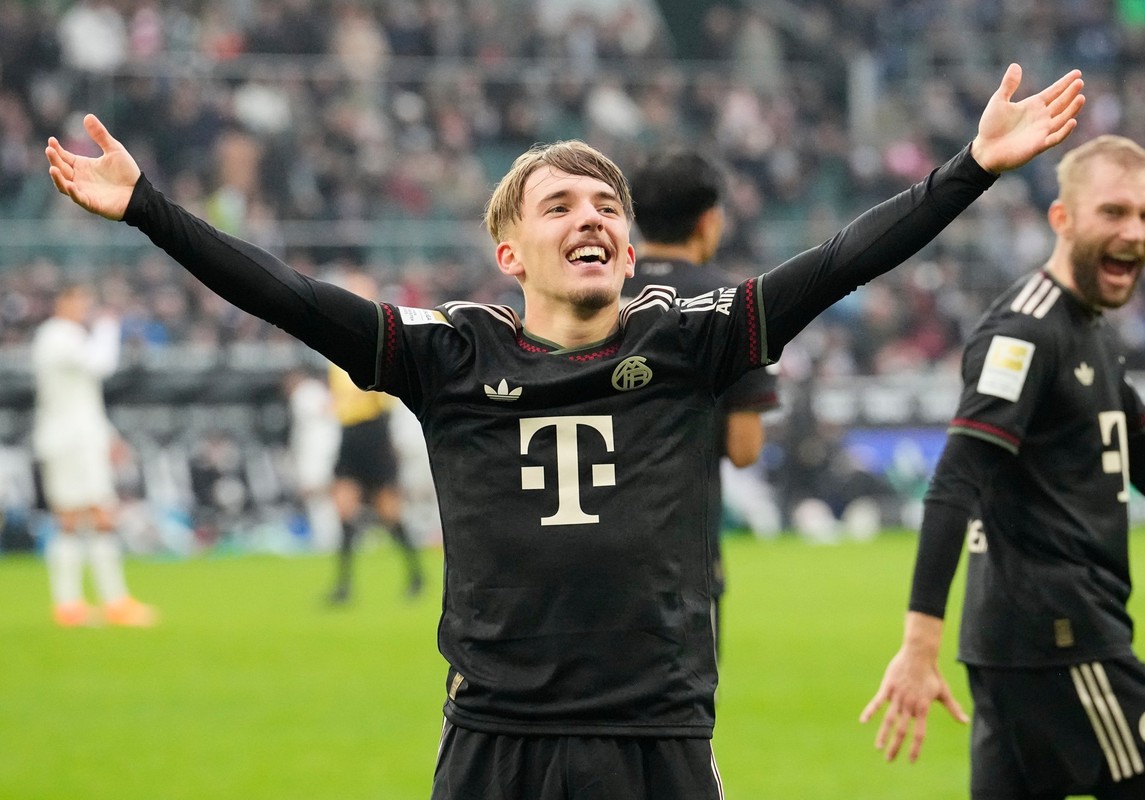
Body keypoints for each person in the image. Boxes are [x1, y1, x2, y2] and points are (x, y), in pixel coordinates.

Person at [46, 63, 1083, 798]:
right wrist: (149, 208)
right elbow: (286, 292)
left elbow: (841, 259)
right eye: (560, 205)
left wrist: (970, 168)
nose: (591, 217)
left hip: (655, 731)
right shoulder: (450, 352)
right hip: (497, 736)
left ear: (630, 249)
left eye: (607, 205)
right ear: (510, 251)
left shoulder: (693, 339)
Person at [861, 135, 1145, 800]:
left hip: (1016, 639)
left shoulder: (1085, 326)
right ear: (1062, 218)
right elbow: (957, 477)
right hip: (1063, 633)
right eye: (1114, 212)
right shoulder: (1027, 330)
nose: (1135, 232)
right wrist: (919, 642)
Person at [623, 148, 779, 659]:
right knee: (684, 725)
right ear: (709, 221)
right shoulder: (733, 305)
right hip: (683, 557)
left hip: (585, 553)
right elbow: (745, 448)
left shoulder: (592, 294)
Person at [31, 282, 157, 627]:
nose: (85, 308)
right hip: (70, 442)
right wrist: (108, 327)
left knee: (82, 518)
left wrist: (108, 437)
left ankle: (75, 604)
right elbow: (100, 365)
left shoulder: (61, 336)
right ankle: (106, 603)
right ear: (63, 301)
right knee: (92, 516)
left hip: (75, 439)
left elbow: (84, 396)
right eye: (80, 301)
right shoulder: (58, 335)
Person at [324, 271, 424, 605]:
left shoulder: (379, 337)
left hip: (373, 432)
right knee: (344, 510)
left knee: (389, 513)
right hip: (349, 433)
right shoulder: (336, 341)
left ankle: (416, 576)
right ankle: (343, 586)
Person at [281, 366, 341, 552]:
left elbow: (319, 415)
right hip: (329, 448)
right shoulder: (318, 390)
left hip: (316, 451)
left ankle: (327, 538)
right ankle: (330, 536)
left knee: (316, 495)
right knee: (325, 496)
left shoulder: (304, 392)